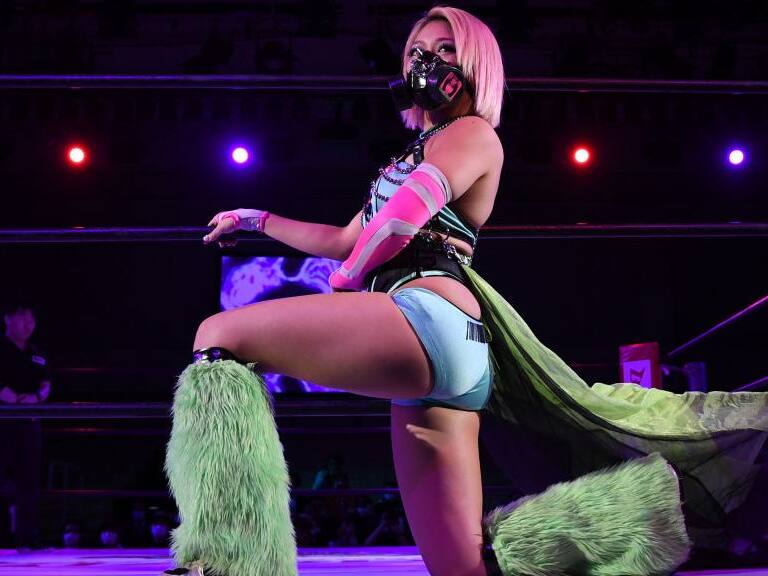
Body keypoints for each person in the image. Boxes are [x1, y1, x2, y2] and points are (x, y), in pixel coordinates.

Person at [164, 6, 768, 576]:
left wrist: (349, 278)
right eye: (418, 49)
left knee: (219, 335)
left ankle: (226, 557)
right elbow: (348, 235)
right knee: (464, 566)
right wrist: (256, 219)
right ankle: (650, 510)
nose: (427, 60)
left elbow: (398, 223)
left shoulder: (471, 133)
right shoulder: (421, 147)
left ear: (474, 63)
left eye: (446, 49)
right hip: (442, 347)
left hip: (426, 316)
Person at [0, 301, 50, 550]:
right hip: (3, 421)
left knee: (29, 480)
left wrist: (37, 396)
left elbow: (46, 383)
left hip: (29, 421)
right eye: (21, 317)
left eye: (31, 318)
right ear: (8, 319)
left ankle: (26, 538)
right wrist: (5, 394)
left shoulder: (36, 352)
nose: (27, 324)